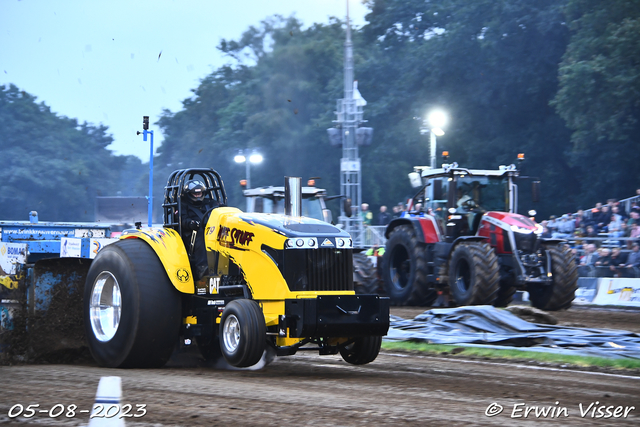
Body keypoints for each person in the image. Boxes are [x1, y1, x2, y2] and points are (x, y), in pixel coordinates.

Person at [181, 179, 219, 281]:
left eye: (200, 193)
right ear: (189, 194)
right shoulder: (183, 206)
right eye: (195, 193)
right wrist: (191, 223)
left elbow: (222, 210)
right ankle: (202, 268)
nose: (198, 195)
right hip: (192, 234)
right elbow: (182, 220)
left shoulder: (211, 203)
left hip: (213, 230)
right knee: (202, 233)